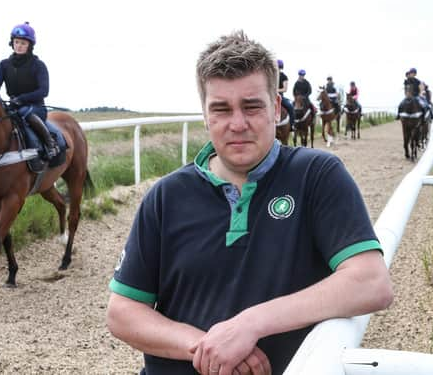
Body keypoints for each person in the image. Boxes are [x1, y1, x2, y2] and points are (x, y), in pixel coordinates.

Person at [106, 30, 393, 375]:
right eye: (222, 109)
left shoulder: (316, 175)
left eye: (252, 106)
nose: (237, 124)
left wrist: (251, 324)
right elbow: (122, 311)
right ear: (205, 114)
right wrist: (210, 347)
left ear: (275, 107)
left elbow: (371, 282)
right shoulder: (166, 195)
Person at [0, 21, 59, 160]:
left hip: (36, 108)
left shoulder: (39, 65)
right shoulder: (4, 65)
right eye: (16, 42)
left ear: (29, 45)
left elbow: (43, 91)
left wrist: (21, 99)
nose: (19, 46)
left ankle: (50, 143)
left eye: (23, 43)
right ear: (12, 43)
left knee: (24, 113)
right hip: (13, 107)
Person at [277, 59, 294, 130]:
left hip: (279, 96)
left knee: (290, 107)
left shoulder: (284, 77)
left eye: (278, 66)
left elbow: (285, 89)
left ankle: (292, 125)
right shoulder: (270, 75)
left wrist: (275, 90)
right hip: (270, 96)